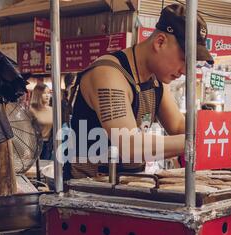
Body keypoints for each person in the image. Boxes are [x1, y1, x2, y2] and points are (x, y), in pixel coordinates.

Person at [66, 3, 213, 179]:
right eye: (183, 59)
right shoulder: (108, 74)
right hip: (85, 189)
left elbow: (179, 127)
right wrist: (199, 141)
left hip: (125, 187)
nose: (185, 71)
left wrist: (217, 133)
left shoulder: (156, 80)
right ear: (160, 42)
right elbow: (129, 145)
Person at [29, 84, 53, 160]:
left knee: (46, 168)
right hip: (36, 144)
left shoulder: (52, 110)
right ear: (38, 94)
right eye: (44, 93)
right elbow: (28, 130)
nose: (47, 95)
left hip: (49, 145)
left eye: (48, 93)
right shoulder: (32, 110)